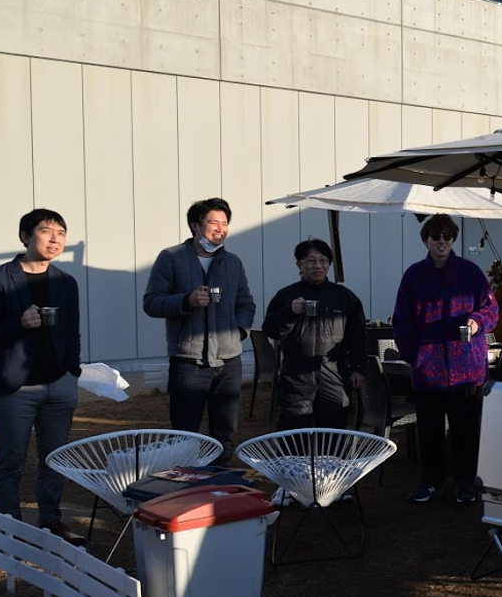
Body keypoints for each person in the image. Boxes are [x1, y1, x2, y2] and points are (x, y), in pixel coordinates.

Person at [0, 209, 85, 545]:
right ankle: (11, 530)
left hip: (59, 384)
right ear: (25, 236)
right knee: (11, 461)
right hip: (14, 388)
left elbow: (72, 332)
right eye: (46, 231)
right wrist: (19, 324)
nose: (55, 239)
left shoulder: (65, 282)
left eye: (61, 233)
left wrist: (72, 371)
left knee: (55, 460)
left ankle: (51, 521)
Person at [142, 198, 256, 465]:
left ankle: (220, 480)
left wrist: (239, 332)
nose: (220, 229)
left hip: (229, 361)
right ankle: (187, 482)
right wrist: (186, 301)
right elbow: (151, 303)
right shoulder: (171, 258)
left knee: (225, 430)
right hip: (189, 361)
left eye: (225, 223)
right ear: (195, 225)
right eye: (213, 222)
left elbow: (246, 303)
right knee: (185, 432)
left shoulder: (232, 262)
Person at [394, 214, 498, 504]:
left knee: (467, 430)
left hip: (467, 370)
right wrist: (415, 357)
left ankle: (465, 483)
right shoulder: (414, 276)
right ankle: (431, 482)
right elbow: (401, 321)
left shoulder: (470, 273)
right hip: (428, 371)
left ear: (453, 240)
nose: (441, 242)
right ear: (426, 240)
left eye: (447, 236)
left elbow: (491, 310)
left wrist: (477, 322)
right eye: (436, 236)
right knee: (430, 432)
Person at [262, 239, 367, 431]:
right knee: (293, 432)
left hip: (334, 372)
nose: (317, 266)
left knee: (333, 433)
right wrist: (290, 312)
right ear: (299, 264)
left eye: (323, 260)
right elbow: (270, 330)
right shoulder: (286, 295)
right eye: (310, 261)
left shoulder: (344, 296)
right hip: (297, 373)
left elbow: (358, 335)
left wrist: (358, 368)